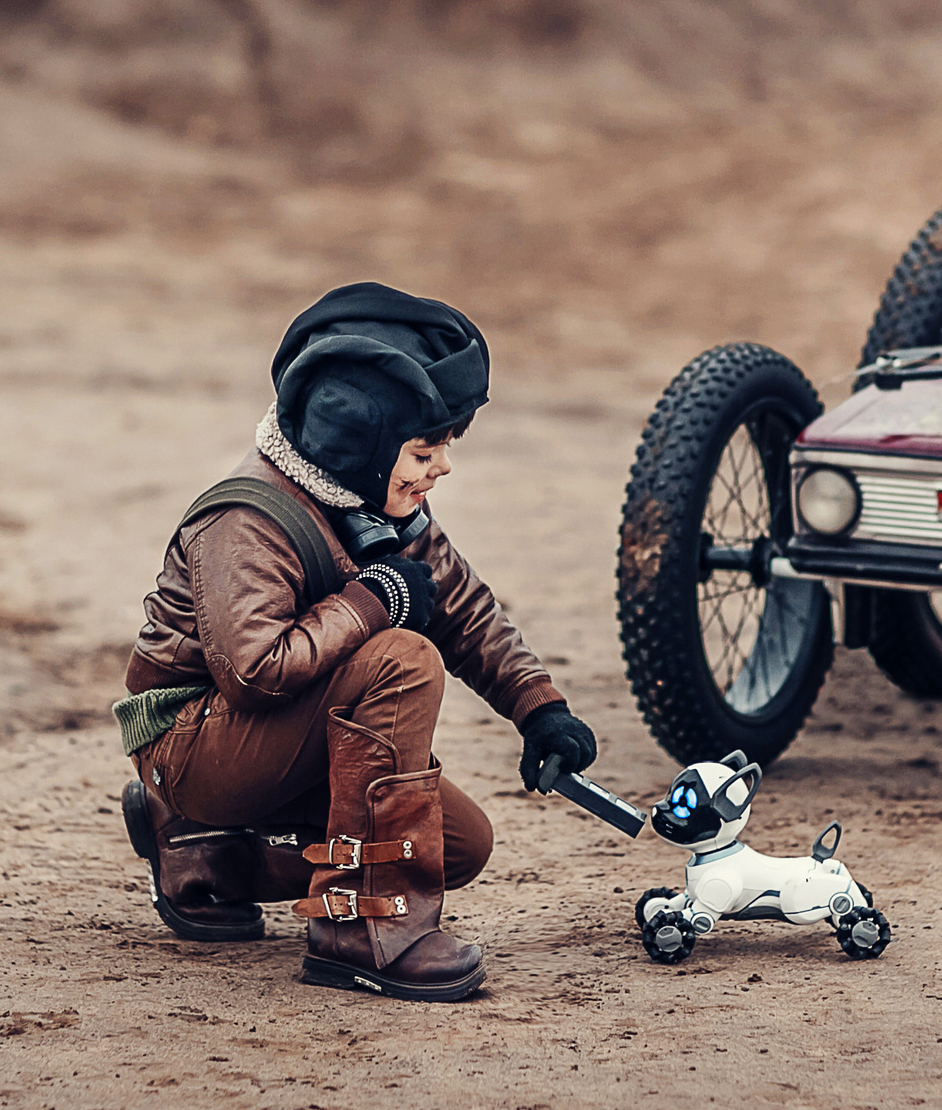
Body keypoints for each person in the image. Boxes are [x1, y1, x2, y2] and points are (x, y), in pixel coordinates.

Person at [115, 283, 599, 1002]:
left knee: (456, 845)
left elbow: (462, 606)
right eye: (424, 449)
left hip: (270, 734)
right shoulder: (245, 520)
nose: (442, 468)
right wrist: (371, 602)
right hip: (189, 740)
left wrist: (538, 707)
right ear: (362, 439)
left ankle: (200, 852)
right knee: (402, 660)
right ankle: (364, 927)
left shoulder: (374, 503)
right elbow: (253, 670)